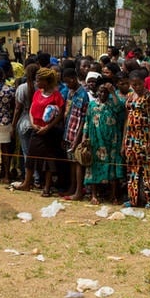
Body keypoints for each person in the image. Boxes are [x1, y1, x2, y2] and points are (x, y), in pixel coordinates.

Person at [122, 70, 150, 209]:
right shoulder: (129, 96)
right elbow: (127, 119)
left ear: (144, 83)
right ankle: (133, 199)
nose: (136, 87)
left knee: (147, 170)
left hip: (145, 137)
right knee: (132, 171)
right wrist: (123, 142)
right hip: (131, 138)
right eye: (134, 85)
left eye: (139, 84)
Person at [84, 80, 126, 204]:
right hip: (95, 140)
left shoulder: (113, 104)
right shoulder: (92, 105)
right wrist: (84, 138)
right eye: (100, 91)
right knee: (94, 166)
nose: (102, 94)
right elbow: (87, 121)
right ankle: (93, 195)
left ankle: (113, 196)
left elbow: (120, 108)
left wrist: (113, 93)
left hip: (111, 142)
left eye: (105, 92)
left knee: (112, 167)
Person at [27, 68, 66, 197]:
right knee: (31, 156)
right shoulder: (37, 93)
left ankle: (47, 187)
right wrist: (33, 124)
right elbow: (31, 109)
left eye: (39, 80)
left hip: (50, 132)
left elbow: (60, 114)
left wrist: (48, 127)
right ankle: (27, 182)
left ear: (47, 81)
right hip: (36, 129)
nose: (37, 82)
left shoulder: (56, 96)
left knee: (48, 160)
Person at [59, 68, 90, 200]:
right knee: (71, 162)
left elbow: (83, 119)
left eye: (67, 82)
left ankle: (78, 190)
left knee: (77, 163)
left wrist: (77, 139)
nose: (66, 85)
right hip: (69, 132)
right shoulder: (70, 93)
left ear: (72, 79)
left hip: (77, 134)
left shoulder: (83, 95)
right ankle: (72, 187)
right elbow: (68, 114)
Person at [10, 63, 40, 191]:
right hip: (38, 121)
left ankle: (31, 178)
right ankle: (38, 178)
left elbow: (18, 108)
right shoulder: (41, 87)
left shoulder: (22, 88)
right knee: (37, 153)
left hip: (24, 121)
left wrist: (13, 125)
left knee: (26, 152)